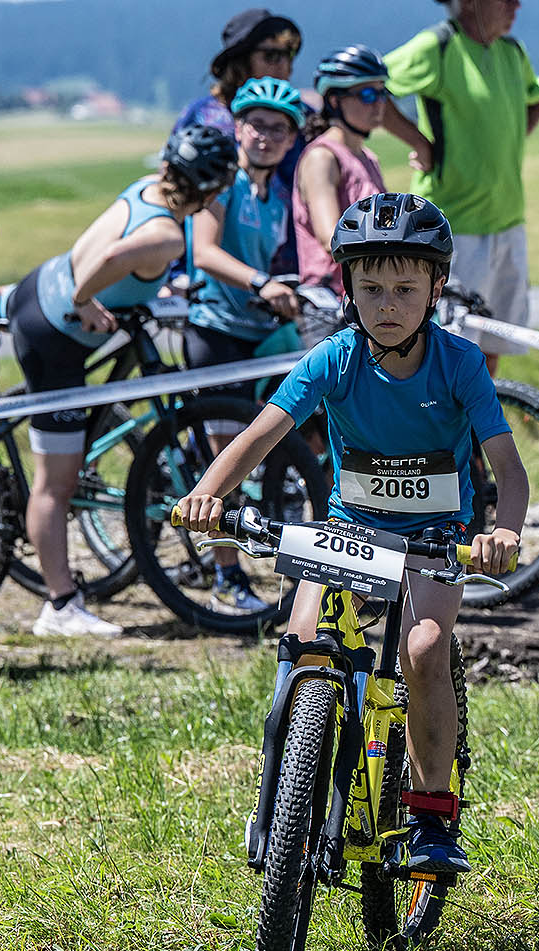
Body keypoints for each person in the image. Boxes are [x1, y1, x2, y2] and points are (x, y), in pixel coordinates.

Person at [172, 194, 527, 874]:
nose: (387, 304)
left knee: (424, 647)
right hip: (350, 528)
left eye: (405, 289)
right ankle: (283, 798)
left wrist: (503, 531)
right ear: (348, 288)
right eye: (371, 288)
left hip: (436, 534)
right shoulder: (334, 357)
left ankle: (432, 815)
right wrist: (207, 494)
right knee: (305, 642)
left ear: (436, 288)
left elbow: (510, 472)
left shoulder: (459, 363)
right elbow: (259, 436)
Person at [4, 125, 238, 637]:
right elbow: (111, 259)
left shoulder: (148, 190)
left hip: (38, 290)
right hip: (54, 335)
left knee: (68, 462)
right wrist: (84, 300)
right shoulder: (168, 235)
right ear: (210, 191)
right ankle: (59, 606)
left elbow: (120, 254)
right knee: (56, 484)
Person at [185, 77, 305, 613]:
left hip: (258, 333)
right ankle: (226, 575)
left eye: (279, 129)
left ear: (290, 139)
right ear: (238, 128)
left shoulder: (277, 195)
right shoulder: (222, 184)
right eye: (257, 124)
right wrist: (261, 283)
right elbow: (205, 252)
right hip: (216, 331)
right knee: (225, 461)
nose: (267, 136)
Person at [382, 0, 539, 377]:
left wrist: (507, 144)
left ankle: (482, 415)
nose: (516, 5)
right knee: (450, 351)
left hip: (508, 221)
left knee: (493, 345)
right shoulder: (437, 46)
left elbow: (537, 100)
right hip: (452, 227)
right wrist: (418, 141)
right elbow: (372, 85)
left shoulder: (512, 51)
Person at [175, 8, 306, 276]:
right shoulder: (203, 117)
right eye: (272, 55)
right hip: (207, 272)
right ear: (241, 61)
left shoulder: (300, 116)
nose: (284, 65)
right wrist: (174, 274)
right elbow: (174, 191)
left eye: (289, 55)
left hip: (282, 268)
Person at [293, 46, 390, 348]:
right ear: (335, 100)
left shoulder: (367, 157)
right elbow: (330, 237)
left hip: (366, 298)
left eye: (383, 93)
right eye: (367, 95)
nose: (379, 104)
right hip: (330, 306)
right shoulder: (322, 157)